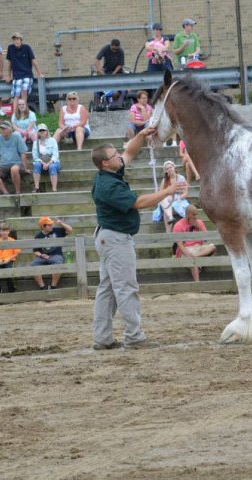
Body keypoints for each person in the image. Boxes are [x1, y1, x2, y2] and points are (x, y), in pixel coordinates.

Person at [90, 127, 186, 350]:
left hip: (108, 236)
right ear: (105, 162)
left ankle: (102, 338)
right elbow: (139, 203)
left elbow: (129, 153)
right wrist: (168, 190)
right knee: (125, 288)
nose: (119, 157)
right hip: (115, 239)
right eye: (114, 155)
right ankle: (134, 336)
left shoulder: (109, 174)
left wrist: (141, 136)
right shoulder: (108, 185)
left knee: (108, 289)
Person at [172, 204, 216, 281]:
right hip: (186, 248)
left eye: (196, 214)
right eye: (194, 214)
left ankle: (195, 256)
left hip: (199, 248)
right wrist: (188, 254)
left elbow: (206, 238)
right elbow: (180, 245)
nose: (196, 216)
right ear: (188, 214)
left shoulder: (200, 222)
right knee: (193, 260)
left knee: (212, 247)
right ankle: (197, 284)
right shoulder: (178, 225)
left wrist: (198, 226)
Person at [0, 120, 29, 194]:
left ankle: (18, 192)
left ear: (10, 129)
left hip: (16, 163)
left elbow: (23, 153)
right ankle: (5, 192)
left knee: (14, 169)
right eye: (1, 128)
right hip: (3, 164)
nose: (2, 130)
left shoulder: (16, 136)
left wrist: (25, 167)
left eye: (4, 128)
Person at [5, 33, 44, 112]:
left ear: (21, 40)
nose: (16, 41)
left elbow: (33, 61)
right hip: (16, 76)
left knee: (24, 90)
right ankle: (15, 114)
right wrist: (8, 75)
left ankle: (23, 112)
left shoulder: (27, 48)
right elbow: (9, 63)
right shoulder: (10, 48)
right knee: (16, 94)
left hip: (27, 75)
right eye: (14, 40)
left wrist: (40, 73)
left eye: (17, 39)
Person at [31, 216, 73, 290]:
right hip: (43, 257)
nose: (51, 226)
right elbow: (36, 251)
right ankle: (43, 287)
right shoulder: (38, 236)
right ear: (43, 227)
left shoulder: (57, 231)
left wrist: (61, 223)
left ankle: (53, 287)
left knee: (58, 264)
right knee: (33, 265)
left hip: (56, 255)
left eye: (51, 224)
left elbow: (70, 230)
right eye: (49, 225)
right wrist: (41, 255)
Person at [157, 160, 189, 233]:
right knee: (166, 205)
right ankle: (168, 229)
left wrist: (176, 198)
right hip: (167, 201)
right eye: (167, 169)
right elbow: (160, 193)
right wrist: (167, 196)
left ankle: (169, 230)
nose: (169, 169)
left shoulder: (181, 178)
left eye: (170, 167)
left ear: (174, 167)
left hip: (179, 200)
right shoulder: (165, 180)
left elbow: (186, 193)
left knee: (167, 208)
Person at [0, 222, 20, 294]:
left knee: (9, 272)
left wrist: (8, 259)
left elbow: (16, 253)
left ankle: (11, 290)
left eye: (6, 231)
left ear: (9, 231)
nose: (4, 232)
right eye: (2, 231)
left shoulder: (12, 241)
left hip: (9, 261)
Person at [32, 123, 61, 192]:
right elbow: (35, 156)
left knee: (52, 166)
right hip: (41, 161)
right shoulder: (35, 142)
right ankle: (36, 187)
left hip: (52, 161)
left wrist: (48, 163)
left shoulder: (52, 140)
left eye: (43, 130)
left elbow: (55, 155)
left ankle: (54, 188)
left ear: (47, 131)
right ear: (38, 132)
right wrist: (43, 163)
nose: (42, 132)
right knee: (36, 165)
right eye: (40, 131)